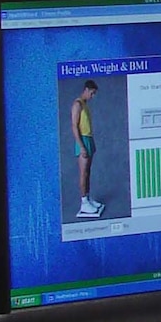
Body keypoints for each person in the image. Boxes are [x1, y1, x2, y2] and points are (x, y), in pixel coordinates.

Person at [70, 79, 103, 219]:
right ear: (87, 90)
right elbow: (74, 126)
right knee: (83, 173)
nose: (93, 96)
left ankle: (88, 199)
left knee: (88, 172)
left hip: (88, 138)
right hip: (82, 140)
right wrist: (82, 146)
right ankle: (83, 202)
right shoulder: (77, 104)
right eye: (92, 93)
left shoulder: (85, 104)